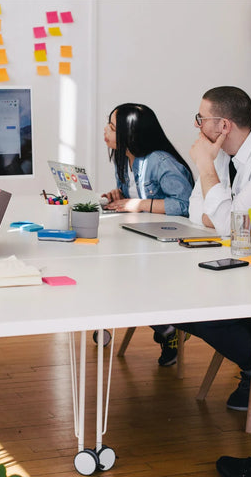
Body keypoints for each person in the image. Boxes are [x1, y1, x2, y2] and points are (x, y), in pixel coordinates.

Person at [176, 86, 251, 414]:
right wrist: (221, 212)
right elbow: (198, 210)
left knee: (205, 314)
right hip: (242, 258)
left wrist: (206, 167)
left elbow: (229, 223)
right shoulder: (223, 154)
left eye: (201, 119)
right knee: (183, 309)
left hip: (247, 263)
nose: (197, 126)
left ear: (224, 125)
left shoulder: (216, 158)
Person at [101, 103, 195, 366]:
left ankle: (168, 329)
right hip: (142, 237)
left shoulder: (161, 162)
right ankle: (165, 328)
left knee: (127, 280)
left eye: (111, 127)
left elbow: (186, 205)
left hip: (169, 247)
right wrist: (120, 197)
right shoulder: (124, 159)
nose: (105, 131)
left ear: (131, 134)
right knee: (117, 274)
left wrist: (138, 204)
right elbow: (135, 198)